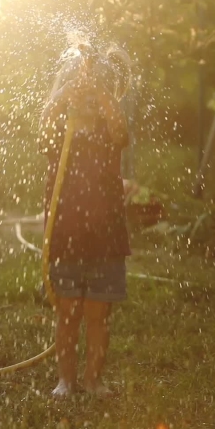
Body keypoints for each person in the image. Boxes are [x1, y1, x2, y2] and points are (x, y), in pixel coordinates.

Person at [38, 43, 134, 397]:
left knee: (98, 316)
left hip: (105, 239)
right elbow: (44, 124)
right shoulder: (59, 138)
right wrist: (63, 95)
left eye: (98, 95)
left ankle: (93, 379)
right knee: (67, 316)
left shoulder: (110, 133)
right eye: (84, 93)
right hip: (65, 235)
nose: (89, 100)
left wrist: (101, 94)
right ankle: (66, 379)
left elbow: (121, 130)